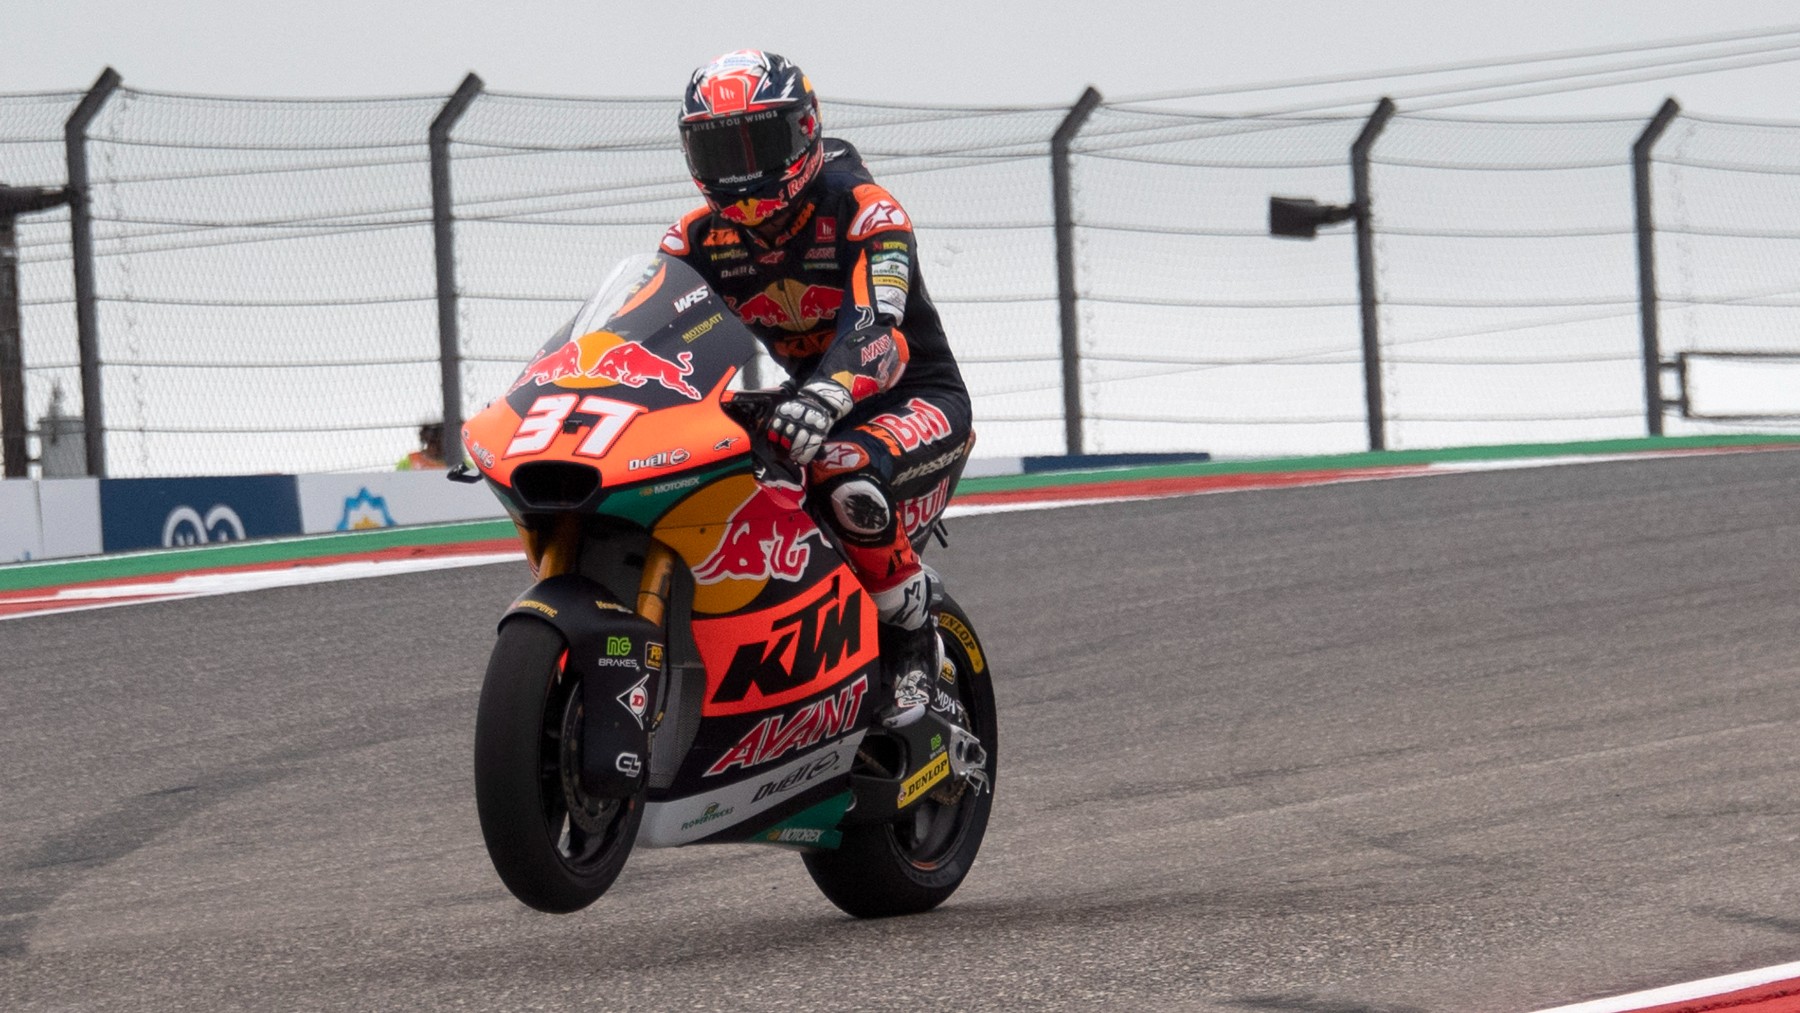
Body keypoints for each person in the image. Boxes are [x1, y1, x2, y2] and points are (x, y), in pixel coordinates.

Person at [660, 50, 974, 728]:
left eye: (758, 142)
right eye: (717, 147)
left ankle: (914, 638)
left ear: (804, 130)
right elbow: (645, 338)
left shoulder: (866, 210)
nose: (739, 171)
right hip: (811, 405)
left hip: (914, 399)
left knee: (842, 474)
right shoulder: (693, 240)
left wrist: (825, 398)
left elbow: (879, 334)